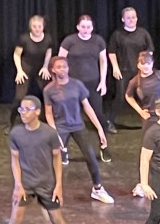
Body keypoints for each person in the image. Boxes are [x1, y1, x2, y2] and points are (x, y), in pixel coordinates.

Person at [0, 97, 82, 224]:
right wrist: (18, 185)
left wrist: (59, 185)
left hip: (46, 183)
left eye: (27, 109)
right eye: (21, 109)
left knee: (57, 219)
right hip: (26, 184)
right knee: (15, 219)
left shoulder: (49, 133)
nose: (23, 113)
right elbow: (14, 160)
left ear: (37, 111)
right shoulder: (16, 133)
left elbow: (57, 158)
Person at [43, 57, 114, 204]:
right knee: (54, 159)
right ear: (53, 70)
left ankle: (98, 189)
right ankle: (51, 191)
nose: (62, 69)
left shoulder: (77, 85)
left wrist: (99, 129)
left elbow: (87, 107)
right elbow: (48, 114)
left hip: (77, 126)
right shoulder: (49, 90)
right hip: (61, 127)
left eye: (64, 66)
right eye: (59, 67)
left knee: (91, 157)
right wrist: (54, 133)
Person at [58, 15, 111, 163]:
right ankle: (63, 150)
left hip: (92, 84)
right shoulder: (69, 41)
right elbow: (59, 61)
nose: (86, 30)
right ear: (78, 27)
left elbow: (103, 61)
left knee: (99, 116)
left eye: (88, 27)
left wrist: (103, 81)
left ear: (92, 28)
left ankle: (104, 146)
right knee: (69, 118)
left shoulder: (98, 41)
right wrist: (60, 81)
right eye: (83, 27)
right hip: (72, 84)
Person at [107, 7, 154, 133]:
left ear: (137, 18)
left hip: (140, 70)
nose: (131, 20)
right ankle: (109, 121)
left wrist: (147, 67)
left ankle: (149, 119)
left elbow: (149, 51)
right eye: (128, 17)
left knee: (145, 95)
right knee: (121, 97)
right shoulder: (117, 34)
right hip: (124, 70)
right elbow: (111, 52)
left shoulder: (143, 33)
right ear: (123, 19)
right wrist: (115, 67)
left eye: (133, 17)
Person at [123, 51, 160, 141]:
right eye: (143, 63)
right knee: (149, 143)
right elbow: (128, 96)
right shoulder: (135, 81)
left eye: (148, 63)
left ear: (152, 64)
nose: (146, 66)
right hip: (150, 116)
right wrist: (140, 111)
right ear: (138, 65)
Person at [10, 14, 53, 128]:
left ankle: (47, 121)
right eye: (34, 26)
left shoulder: (48, 38)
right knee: (19, 97)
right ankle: (12, 123)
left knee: (47, 95)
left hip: (40, 69)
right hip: (26, 68)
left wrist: (45, 66)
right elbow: (16, 54)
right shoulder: (24, 39)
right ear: (31, 27)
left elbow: (49, 52)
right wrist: (19, 71)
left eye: (39, 26)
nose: (37, 29)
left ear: (43, 27)